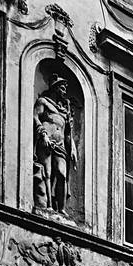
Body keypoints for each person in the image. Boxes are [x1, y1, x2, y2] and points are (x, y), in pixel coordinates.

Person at [34, 74, 77, 214]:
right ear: (55, 88)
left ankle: (62, 209)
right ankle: (48, 206)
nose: (64, 91)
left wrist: (73, 149)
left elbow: (68, 133)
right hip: (46, 140)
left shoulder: (64, 111)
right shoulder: (43, 102)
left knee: (62, 174)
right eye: (62, 88)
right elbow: (35, 117)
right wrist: (43, 134)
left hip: (60, 145)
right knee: (47, 173)